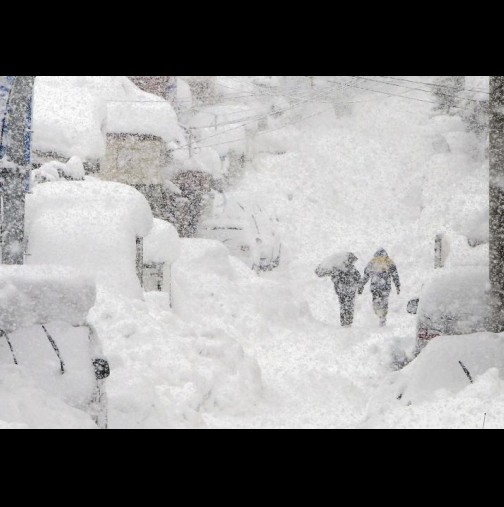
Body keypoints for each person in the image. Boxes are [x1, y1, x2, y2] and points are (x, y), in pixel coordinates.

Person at [359, 248, 400, 327]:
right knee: (382, 302)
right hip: (382, 287)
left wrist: (361, 285)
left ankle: (381, 316)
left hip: (377, 287)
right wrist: (397, 285)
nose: (380, 260)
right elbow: (395, 275)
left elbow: (366, 275)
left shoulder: (377, 262)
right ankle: (381, 315)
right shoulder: (386, 262)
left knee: (379, 302)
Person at [330, 253, 361, 327]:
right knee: (349, 306)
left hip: (341, 290)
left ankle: (344, 321)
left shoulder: (338, 268)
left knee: (343, 306)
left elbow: (334, 279)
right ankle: (348, 321)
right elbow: (358, 278)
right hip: (349, 290)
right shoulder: (351, 268)